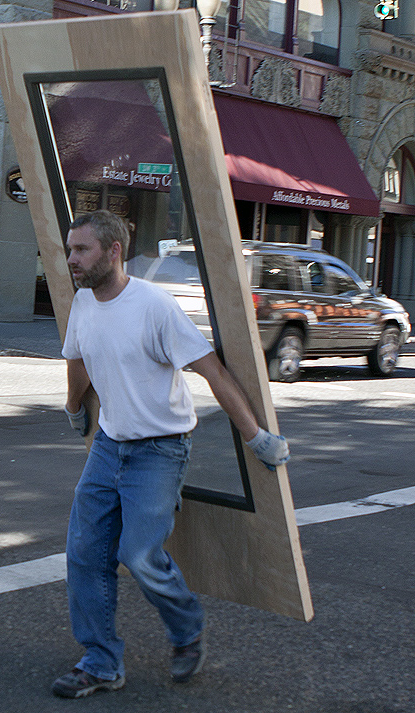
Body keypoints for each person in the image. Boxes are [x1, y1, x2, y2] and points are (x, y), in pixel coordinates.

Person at [52, 210, 289, 699]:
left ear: (114, 251)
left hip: (160, 451)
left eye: (82, 250)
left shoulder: (154, 307)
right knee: (83, 555)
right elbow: (77, 358)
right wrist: (75, 407)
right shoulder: (82, 302)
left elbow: (213, 372)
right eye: (70, 249)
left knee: (138, 555)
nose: (71, 259)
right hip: (108, 446)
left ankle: (187, 632)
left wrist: (254, 436)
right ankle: (100, 663)